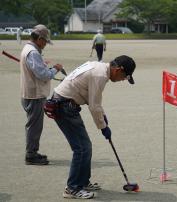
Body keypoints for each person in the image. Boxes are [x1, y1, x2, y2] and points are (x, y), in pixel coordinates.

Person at [51, 55, 136, 199]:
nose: (123, 80)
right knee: (81, 148)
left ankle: (82, 182)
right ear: (118, 70)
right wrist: (103, 127)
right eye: (124, 77)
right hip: (64, 106)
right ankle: (72, 188)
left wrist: (102, 116)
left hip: (66, 104)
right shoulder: (100, 75)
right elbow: (94, 105)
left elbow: (95, 102)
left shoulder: (99, 68)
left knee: (85, 146)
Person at [20, 24, 63, 165]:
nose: (45, 44)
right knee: (34, 126)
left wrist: (45, 66)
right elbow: (43, 75)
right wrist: (55, 69)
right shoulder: (33, 52)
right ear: (39, 39)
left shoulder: (28, 49)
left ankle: (32, 152)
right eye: (44, 41)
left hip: (31, 93)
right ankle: (31, 155)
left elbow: (38, 70)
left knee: (33, 125)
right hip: (34, 95)